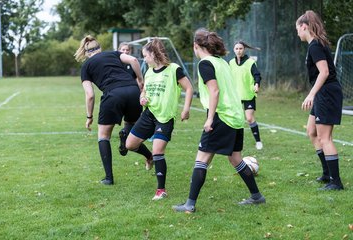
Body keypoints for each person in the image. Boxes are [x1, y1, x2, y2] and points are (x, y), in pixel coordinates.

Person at [173, 28, 265, 213]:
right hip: (235, 116)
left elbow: (214, 91)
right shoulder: (221, 62)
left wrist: (209, 119)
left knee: (202, 159)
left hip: (221, 117)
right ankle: (257, 197)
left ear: (196, 46)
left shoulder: (205, 64)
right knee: (236, 159)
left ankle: (190, 204)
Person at [74, 35, 153, 185]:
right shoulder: (113, 53)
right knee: (131, 135)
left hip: (113, 95)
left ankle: (109, 178)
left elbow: (90, 95)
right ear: (100, 48)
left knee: (103, 136)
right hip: (132, 92)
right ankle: (149, 156)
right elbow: (134, 60)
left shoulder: (86, 66)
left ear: (86, 52)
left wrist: (89, 116)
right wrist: (141, 81)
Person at [125, 38, 194, 200]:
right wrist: (143, 97)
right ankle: (148, 157)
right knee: (130, 144)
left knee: (158, 151)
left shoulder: (173, 69)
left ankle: (161, 190)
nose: (144, 59)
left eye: (146, 56)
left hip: (164, 117)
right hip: (149, 114)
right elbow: (145, 91)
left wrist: (186, 109)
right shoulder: (149, 72)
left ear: (154, 55)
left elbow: (189, 88)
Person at [296, 10, 344, 190]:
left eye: (298, 29)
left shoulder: (315, 45)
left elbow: (324, 72)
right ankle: (327, 174)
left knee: (325, 138)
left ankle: (336, 182)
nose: (297, 33)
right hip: (324, 93)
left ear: (304, 26)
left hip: (327, 93)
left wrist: (311, 94)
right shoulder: (314, 45)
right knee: (312, 131)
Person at [229, 41, 263, 150]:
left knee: (249, 118)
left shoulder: (250, 62)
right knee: (236, 119)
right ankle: (234, 142)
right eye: (237, 48)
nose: (239, 50)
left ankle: (258, 141)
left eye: (241, 48)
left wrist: (257, 84)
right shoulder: (230, 63)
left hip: (248, 94)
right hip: (235, 96)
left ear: (244, 50)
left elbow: (257, 75)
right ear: (234, 50)